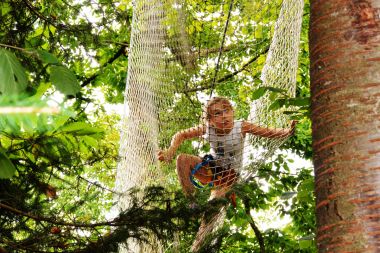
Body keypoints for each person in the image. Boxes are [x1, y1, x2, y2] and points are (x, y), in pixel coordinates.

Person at [158, 97, 296, 201]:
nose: (224, 115)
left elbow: (268, 132)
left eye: (226, 110)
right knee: (182, 159)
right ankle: (191, 201)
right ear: (210, 120)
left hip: (230, 176)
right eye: (217, 113)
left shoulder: (241, 126)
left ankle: (212, 207)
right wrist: (171, 150)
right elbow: (181, 134)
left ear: (232, 112)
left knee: (214, 204)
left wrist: (287, 132)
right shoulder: (208, 128)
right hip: (210, 169)